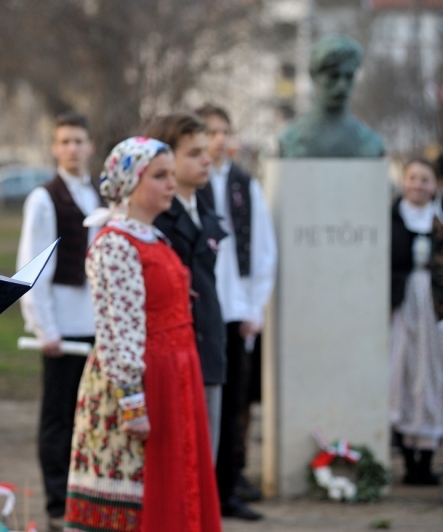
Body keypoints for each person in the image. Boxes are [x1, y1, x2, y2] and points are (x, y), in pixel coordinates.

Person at [65, 137, 221, 532]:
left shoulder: (152, 237)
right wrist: (132, 401)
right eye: (160, 176)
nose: (172, 184)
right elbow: (118, 328)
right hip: (147, 378)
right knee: (147, 492)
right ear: (131, 183)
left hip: (176, 372)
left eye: (171, 175)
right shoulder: (116, 244)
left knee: (179, 480)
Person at [16, 111, 101, 530]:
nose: (72, 148)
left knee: (91, 418)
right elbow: (33, 268)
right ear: (55, 148)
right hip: (61, 329)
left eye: (79, 140)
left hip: (95, 326)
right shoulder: (44, 198)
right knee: (59, 417)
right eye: (64, 141)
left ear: (90, 146)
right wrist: (43, 326)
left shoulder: (99, 195)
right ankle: (56, 504)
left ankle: (87, 496)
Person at [197, 103, 276, 520]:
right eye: (209, 132)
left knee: (233, 406)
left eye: (223, 132)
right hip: (201, 314)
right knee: (201, 406)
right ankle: (201, 489)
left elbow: (264, 249)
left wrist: (254, 308)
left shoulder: (245, 185)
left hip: (236, 310)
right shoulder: (190, 185)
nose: (217, 140)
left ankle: (228, 488)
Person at [145, 113, 228, 458]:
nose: (206, 160)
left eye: (205, 151)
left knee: (204, 455)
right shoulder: (155, 221)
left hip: (208, 346)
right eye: (194, 153)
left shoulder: (206, 212)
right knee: (177, 458)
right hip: (172, 354)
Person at [392, 158, 443, 485]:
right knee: (401, 370)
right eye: (412, 178)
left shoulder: (441, 220)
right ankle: (406, 457)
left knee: (431, 374)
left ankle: (426, 458)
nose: (417, 185)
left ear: (434, 184)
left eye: (424, 179)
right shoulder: (392, 217)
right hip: (401, 305)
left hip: (435, 306)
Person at [278, 35, 385, 158]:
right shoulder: (290, 141)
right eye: (333, 76)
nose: (341, 86)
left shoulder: (370, 143)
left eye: (348, 76)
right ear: (314, 76)